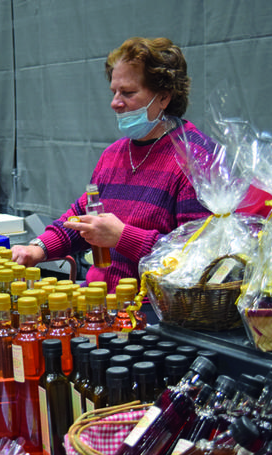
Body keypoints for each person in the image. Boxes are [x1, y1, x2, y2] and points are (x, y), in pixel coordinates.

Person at [12, 37, 220, 292]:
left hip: (153, 314)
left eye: (128, 93)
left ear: (164, 97)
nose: (115, 103)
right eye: (114, 92)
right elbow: (83, 217)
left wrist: (123, 237)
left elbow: (201, 257)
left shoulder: (196, 160)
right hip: (101, 304)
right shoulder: (114, 154)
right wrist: (38, 249)